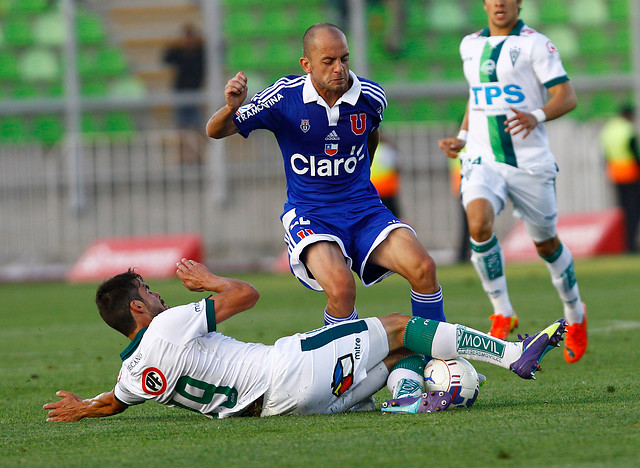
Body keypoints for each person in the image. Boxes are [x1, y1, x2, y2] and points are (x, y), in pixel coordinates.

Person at [43, 259, 566, 421]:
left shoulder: (131, 374)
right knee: (403, 326)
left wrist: (83, 407)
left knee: (407, 350)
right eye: (150, 292)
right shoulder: (166, 325)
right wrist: (208, 284)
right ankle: (515, 355)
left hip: (285, 409)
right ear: (137, 308)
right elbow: (246, 295)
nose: (159, 296)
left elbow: (117, 402)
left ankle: (407, 400)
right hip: (288, 368)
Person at [206, 23, 445, 327]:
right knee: (342, 289)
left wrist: (361, 175)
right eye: (328, 61)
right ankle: (344, 370)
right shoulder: (283, 98)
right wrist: (230, 108)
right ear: (306, 65)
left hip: (363, 209)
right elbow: (214, 131)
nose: (339, 69)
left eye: (344, 59)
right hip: (311, 213)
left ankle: (436, 358)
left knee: (423, 267)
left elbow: (371, 134)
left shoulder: (371, 96)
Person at [438, 0, 587, 364]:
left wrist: (536, 116)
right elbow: (477, 98)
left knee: (547, 245)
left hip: (529, 162)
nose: (500, 3)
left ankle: (575, 314)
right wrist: (462, 134)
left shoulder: (536, 44)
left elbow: (566, 96)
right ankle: (502, 309)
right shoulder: (469, 45)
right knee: (478, 223)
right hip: (482, 156)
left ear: (519, 2)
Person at [600, 104, 640, 253]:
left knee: (622, 210)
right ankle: (631, 244)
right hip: (631, 173)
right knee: (634, 210)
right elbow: (634, 153)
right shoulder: (628, 129)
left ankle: (624, 243)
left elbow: (605, 154)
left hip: (616, 174)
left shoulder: (609, 129)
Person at [163, 23, 205, 130]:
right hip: (181, 90)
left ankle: (198, 144)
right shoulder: (178, 52)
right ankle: (185, 145)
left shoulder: (200, 52)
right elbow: (166, 59)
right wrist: (172, 43)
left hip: (196, 90)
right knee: (182, 124)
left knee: (197, 123)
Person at [370, 134, 401, 217]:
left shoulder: (366, 149)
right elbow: (397, 164)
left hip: (371, 190)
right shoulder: (386, 149)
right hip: (387, 189)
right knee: (394, 216)